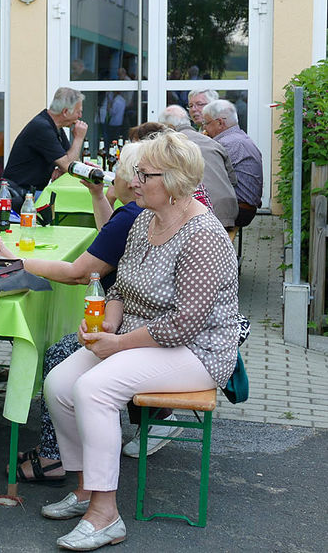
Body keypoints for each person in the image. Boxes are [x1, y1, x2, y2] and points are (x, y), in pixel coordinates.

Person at [41, 131, 239, 551]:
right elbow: (120, 289)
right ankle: (84, 489)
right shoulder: (144, 220)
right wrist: (106, 326)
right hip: (141, 336)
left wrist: (118, 344)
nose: (133, 181)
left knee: (93, 388)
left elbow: (186, 322)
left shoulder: (203, 234)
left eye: (143, 174)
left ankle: (106, 514)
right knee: (58, 384)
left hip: (196, 350)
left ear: (172, 181)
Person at [0, 142, 182, 484]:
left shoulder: (134, 217)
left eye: (119, 171)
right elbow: (113, 239)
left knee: (58, 357)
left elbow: (79, 273)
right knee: (65, 355)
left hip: (141, 333)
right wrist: (96, 196)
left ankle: (54, 456)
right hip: (132, 322)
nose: (112, 178)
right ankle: (66, 455)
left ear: (135, 180)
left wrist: (15, 262)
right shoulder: (134, 216)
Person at [158, 104, 238, 228]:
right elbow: (233, 180)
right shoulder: (213, 143)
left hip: (204, 215)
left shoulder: (172, 147)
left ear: (169, 127)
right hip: (230, 210)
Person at [3, 87, 88, 196]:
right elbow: (68, 165)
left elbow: (73, 162)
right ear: (65, 112)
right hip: (19, 193)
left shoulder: (55, 126)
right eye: (78, 112)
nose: (80, 116)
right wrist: (79, 138)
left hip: (32, 190)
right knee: (67, 199)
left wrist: (61, 169)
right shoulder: (42, 127)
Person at [203, 99, 263, 227]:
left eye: (206, 123)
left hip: (238, 210)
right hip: (246, 208)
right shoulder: (239, 137)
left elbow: (211, 179)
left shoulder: (226, 144)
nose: (204, 128)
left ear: (220, 123)